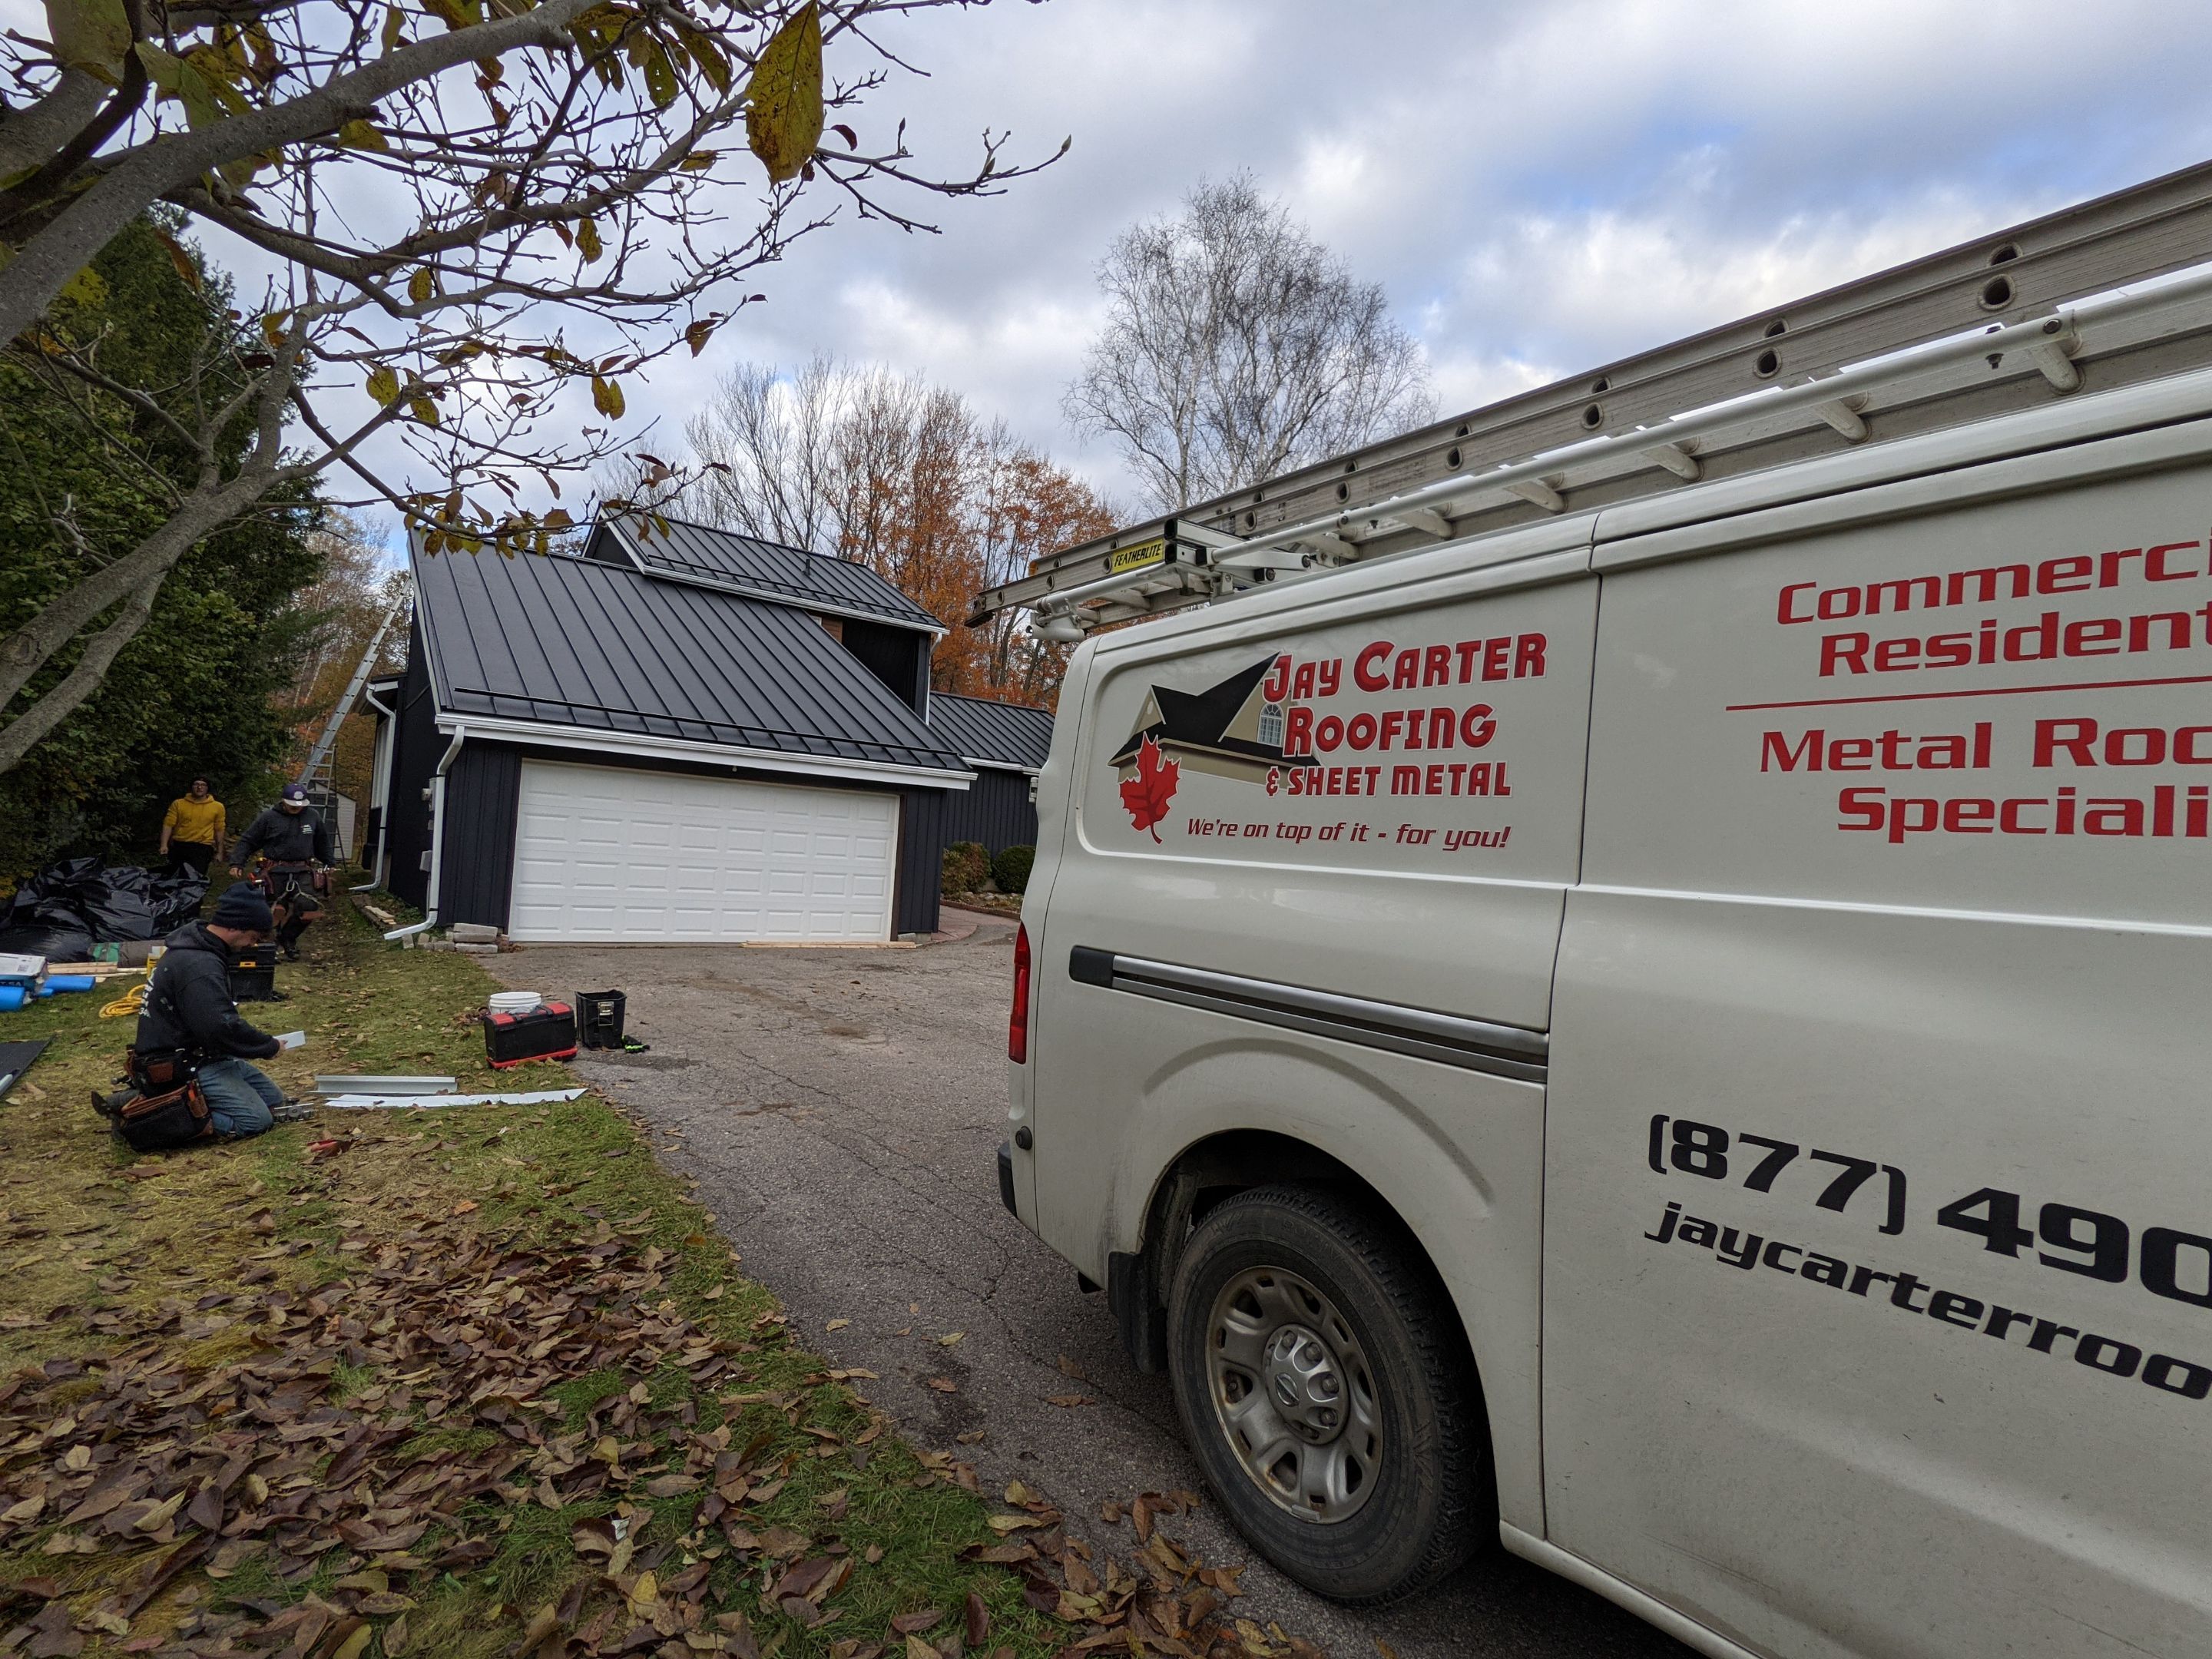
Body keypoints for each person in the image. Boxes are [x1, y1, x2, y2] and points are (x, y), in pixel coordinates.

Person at [132, 886, 306, 1137]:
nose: (252, 944)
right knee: (255, 1120)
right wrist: (267, 1046)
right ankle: (159, 1113)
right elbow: (220, 1026)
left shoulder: (202, 950)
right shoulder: (198, 965)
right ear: (235, 927)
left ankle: (198, 1100)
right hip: (179, 1063)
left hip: (206, 1053)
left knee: (274, 1101)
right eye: (253, 937)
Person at [231, 783, 333, 962]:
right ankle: (270, 946)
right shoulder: (269, 818)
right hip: (275, 871)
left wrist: (329, 862)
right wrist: (237, 863)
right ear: (284, 802)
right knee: (274, 911)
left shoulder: (313, 816)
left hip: (303, 870)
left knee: (309, 906)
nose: (296, 808)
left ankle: (288, 938)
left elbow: (322, 841)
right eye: (292, 805)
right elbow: (248, 840)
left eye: (299, 805)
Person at [158, 777, 226, 879]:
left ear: (207, 788)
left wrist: (220, 852)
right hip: (180, 845)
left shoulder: (217, 807)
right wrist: (164, 845)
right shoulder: (179, 804)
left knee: (195, 878)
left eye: (203, 785)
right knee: (175, 877)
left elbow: (219, 829)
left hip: (202, 847)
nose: (199, 787)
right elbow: (168, 824)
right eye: (196, 784)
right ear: (191, 787)